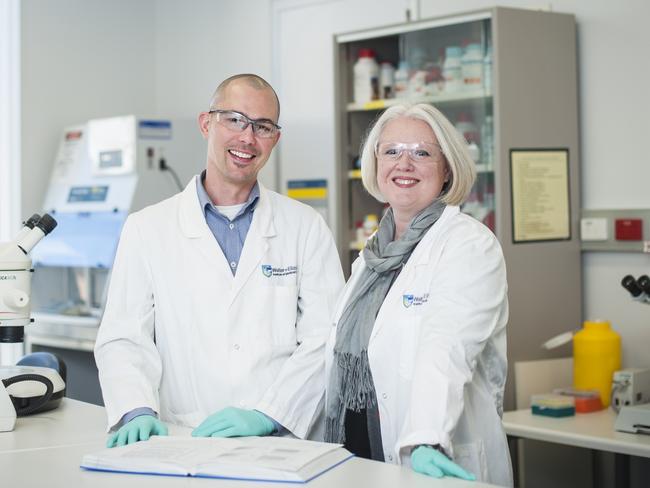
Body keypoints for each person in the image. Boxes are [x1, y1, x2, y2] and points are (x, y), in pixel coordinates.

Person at [95, 74, 344, 447]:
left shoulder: (305, 227)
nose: (247, 138)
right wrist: (136, 409)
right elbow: (123, 336)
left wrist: (268, 415)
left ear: (275, 139)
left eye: (262, 126)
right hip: (184, 435)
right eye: (234, 119)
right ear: (206, 123)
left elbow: (325, 338)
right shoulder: (147, 228)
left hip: (280, 440)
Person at [323, 102, 512, 486]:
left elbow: (447, 347)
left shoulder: (469, 246)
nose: (403, 164)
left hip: (434, 456)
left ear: (446, 169)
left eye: (421, 153)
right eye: (391, 151)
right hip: (361, 462)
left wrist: (426, 437)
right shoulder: (372, 256)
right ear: (376, 164)